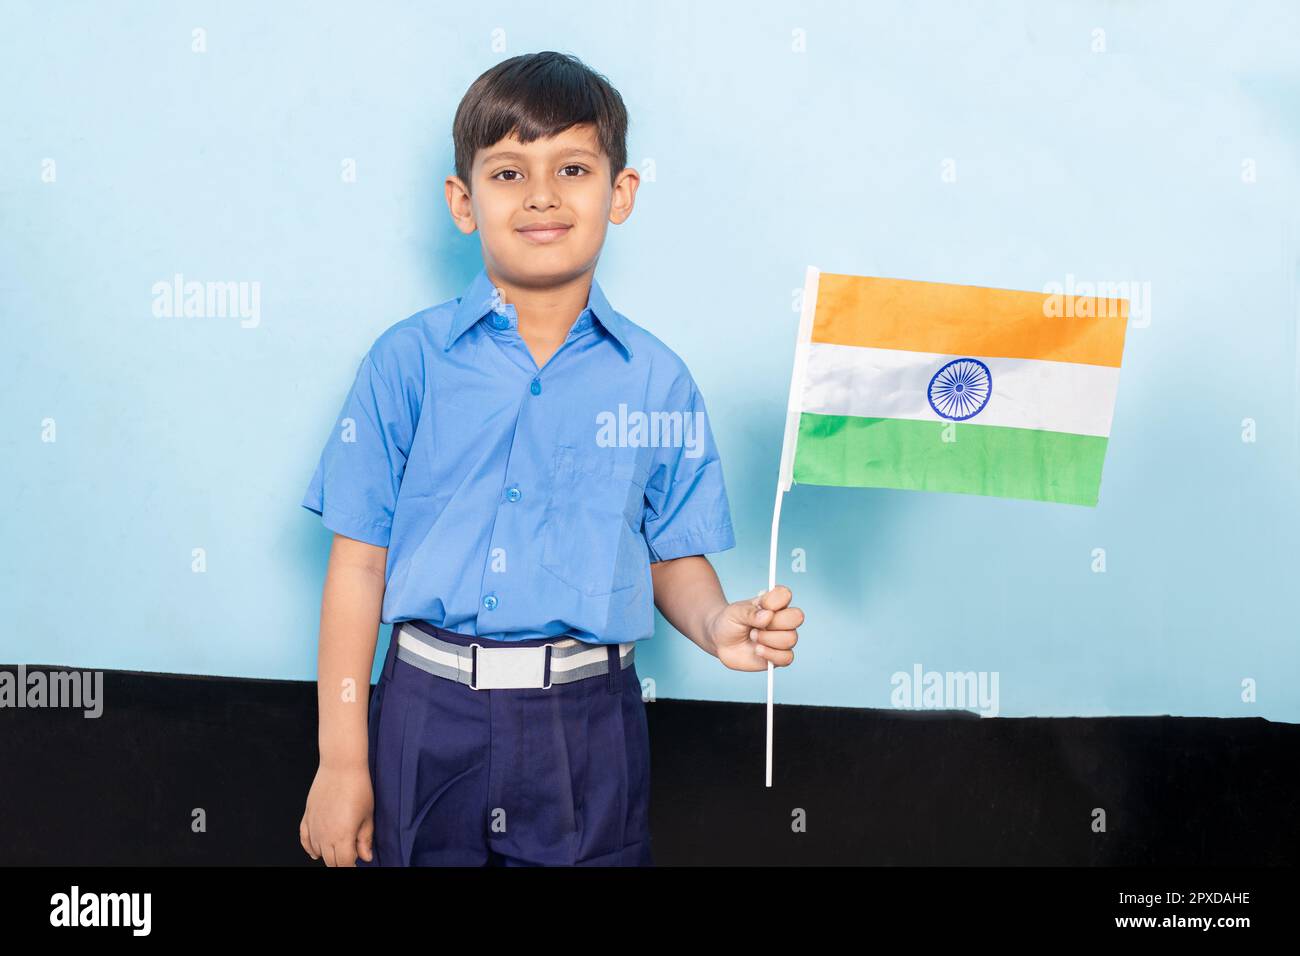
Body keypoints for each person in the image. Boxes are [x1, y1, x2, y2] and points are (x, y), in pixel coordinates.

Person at [297, 51, 803, 867]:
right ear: (463, 202)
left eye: (571, 167)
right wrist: (342, 760)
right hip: (426, 714)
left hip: (588, 726)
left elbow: (673, 554)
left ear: (621, 192)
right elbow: (358, 566)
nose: (540, 195)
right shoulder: (406, 363)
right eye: (507, 173)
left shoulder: (657, 381)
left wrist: (718, 624)